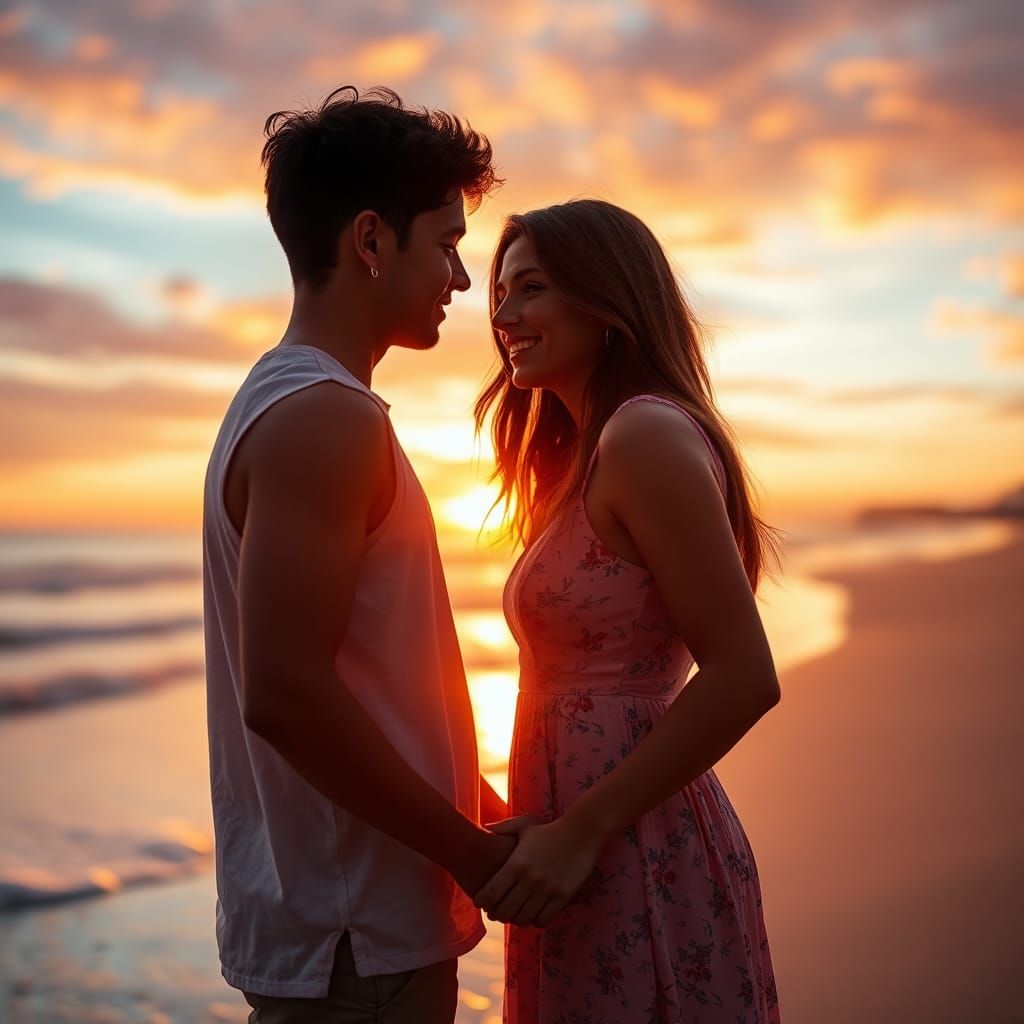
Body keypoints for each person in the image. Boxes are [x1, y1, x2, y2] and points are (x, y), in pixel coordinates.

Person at [202, 86, 514, 1024]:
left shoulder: (302, 404)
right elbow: (287, 694)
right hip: (355, 947)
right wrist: (471, 853)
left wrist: (491, 814)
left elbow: (374, 680)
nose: (462, 280)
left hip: (349, 934)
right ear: (371, 242)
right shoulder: (324, 419)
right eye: (448, 243)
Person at [473, 199, 783, 1022]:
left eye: (529, 289)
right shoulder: (579, 457)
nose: (503, 316)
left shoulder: (644, 435)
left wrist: (581, 832)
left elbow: (745, 675)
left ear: (604, 300)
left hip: (637, 850)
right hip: (579, 847)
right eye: (500, 296)